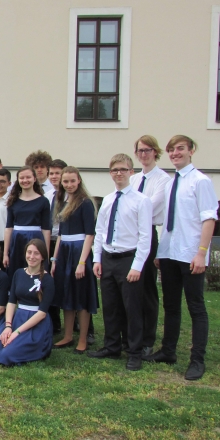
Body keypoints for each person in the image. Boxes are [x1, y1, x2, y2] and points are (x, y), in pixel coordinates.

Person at [145, 135, 219, 381]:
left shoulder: (200, 181)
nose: (175, 153)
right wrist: (160, 252)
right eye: (171, 150)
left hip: (190, 254)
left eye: (180, 149)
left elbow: (209, 218)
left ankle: (197, 360)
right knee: (171, 305)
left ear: (191, 151)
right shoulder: (169, 183)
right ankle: (168, 351)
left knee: (196, 307)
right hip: (169, 253)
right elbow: (167, 220)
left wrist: (201, 252)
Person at [88, 154, 152, 372]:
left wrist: (137, 266)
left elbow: (146, 237)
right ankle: (112, 346)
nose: (119, 173)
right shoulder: (107, 199)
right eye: (115, 170)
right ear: (110, 173)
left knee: (132, 308)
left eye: (123, 169)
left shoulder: (141, 201)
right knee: (111, 307)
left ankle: (135, 352)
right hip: (108, 258)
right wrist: (97, 259)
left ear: (131, 172)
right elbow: (99, 232)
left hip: (128, 260)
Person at [129, 135, 172, 357]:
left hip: (148, 234)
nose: (143, 154)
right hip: (130, 235)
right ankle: (131, 336)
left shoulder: (163, 180)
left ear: (155, 152)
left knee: (146, 289)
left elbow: (147, 206)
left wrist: (130, 208)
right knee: (131, 289)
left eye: (147, 150)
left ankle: (147, 340)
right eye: (140, 151)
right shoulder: (134, 179)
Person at [51, 166, 98, 354]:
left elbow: (89, 234)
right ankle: (68, 335)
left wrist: (81, 262)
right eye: (65, 181)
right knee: (66, 295)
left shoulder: (85, 203)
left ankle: (83, 338)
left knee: (81, 297)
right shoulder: (62, 202)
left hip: (79, 253)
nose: (69, 185)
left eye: (72, 181)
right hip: (64, 253)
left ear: (78, 181)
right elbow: (60, 235)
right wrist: (54, 259)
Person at [0, 239, 55, 366]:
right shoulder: (18, 273)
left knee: (7, 354)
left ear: (43, 256)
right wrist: (8, 326)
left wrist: (17, 332)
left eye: (36, 253)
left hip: (36, 323)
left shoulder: (48, 280)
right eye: (29, 252)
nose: (32, 256)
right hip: (18, 318)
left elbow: (42, 314)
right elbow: (11, 302)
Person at [3, 166, 51, 279]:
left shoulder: (43, 201)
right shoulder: (13, 201)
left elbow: (46, 229)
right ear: (18, 180)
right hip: (17, 241)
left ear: (34, 179)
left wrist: (46, 254)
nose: (25, 180)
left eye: (28, 177)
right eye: (22, 178)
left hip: (36, 239)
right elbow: (8, 228)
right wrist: (5, 253)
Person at [45, 159, 68, 335]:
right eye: (51, 173)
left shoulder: (71, 196)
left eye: (57, 173)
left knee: (68, 282)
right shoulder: (47, 195)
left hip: (67, 243)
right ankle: (54, 322)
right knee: (49, 282)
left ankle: (81, 326)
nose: (54, 176)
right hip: (49, 241)